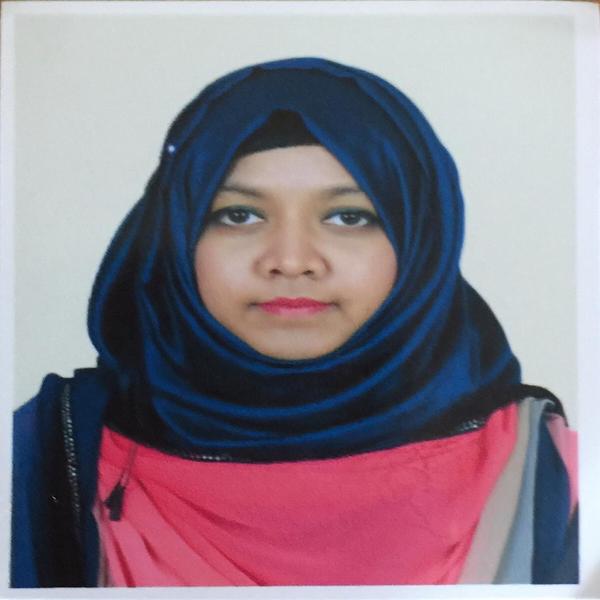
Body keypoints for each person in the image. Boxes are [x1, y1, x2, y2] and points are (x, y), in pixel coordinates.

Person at [11, 57, 578, 587]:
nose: (290, 260)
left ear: (420, 242)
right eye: (239, 215)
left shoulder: (540, 469)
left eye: (348, 217)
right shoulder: (47, 453)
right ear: (175, 236)